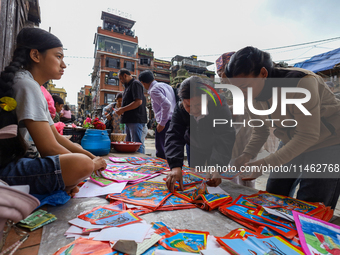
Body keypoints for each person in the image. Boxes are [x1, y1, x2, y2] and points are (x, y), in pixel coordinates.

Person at [226, 46, 340, 209]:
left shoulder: (299, 83)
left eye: (244, 86)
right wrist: (246, 155)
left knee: (311, 203)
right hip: (292, 138)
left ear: (263, 74)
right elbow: (261, 129)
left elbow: (308, 135)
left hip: (328, 140)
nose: (241, 93)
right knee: (274, 192)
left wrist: (264, 163)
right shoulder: (249, 96)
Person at [0, 28, 106, 197]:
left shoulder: (32, 85)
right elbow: (49, 147)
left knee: (79, 155)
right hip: (7, 171)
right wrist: (91, 165)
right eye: (58, 56)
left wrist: (92, 156)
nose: (63, 64)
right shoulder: (26, 85)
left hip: (19, 165)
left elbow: (55, 137)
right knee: (81, 164)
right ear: (35, 55)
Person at [164, 76, 236, 192]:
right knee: (195, 177)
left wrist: (216, 165)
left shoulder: (219, 104)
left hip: (214, 145)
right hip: (194, 145)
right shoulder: (180, 108)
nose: (194, 110)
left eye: (198, 105)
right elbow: (174, 136)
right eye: (188, 106)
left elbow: (225, 135)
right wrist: (175, 166)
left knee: (213, 176)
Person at [139, 70, 177, 159]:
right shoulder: (166, 86)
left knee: (161, 151)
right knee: (172, 148)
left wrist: (162, 123)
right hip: (173, 120)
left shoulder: (154, 90)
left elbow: (167, 105)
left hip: (165, 123)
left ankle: (164, 170)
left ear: (143, 83)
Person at [116, 69, 147, 153]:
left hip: (135, 120)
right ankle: (131, 164)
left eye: (121, 78)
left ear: (125, 75)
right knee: (128, 145)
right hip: (128, 120)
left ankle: (139, 163)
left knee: (136, 144)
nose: (121, 81)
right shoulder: (127, 86)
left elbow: (138, 102)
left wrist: (123, 109)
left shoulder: (135, 84)